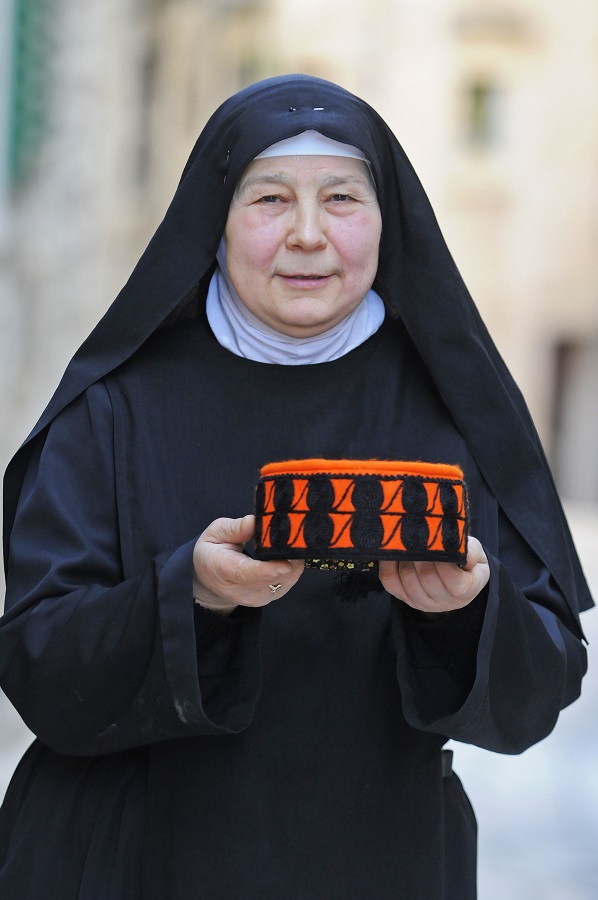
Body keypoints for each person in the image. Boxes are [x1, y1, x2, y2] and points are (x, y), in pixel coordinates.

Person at [0, 74, 592, 899]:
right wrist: (191, 594)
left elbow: (539, 698)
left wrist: (466, 615)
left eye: (343, 198)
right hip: (129, 856)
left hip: (378, 863)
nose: (308, 235)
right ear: (216, 222)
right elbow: (38, 667)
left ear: (388, 221)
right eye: (270, 199)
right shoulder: (113, 410)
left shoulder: (462, 415)